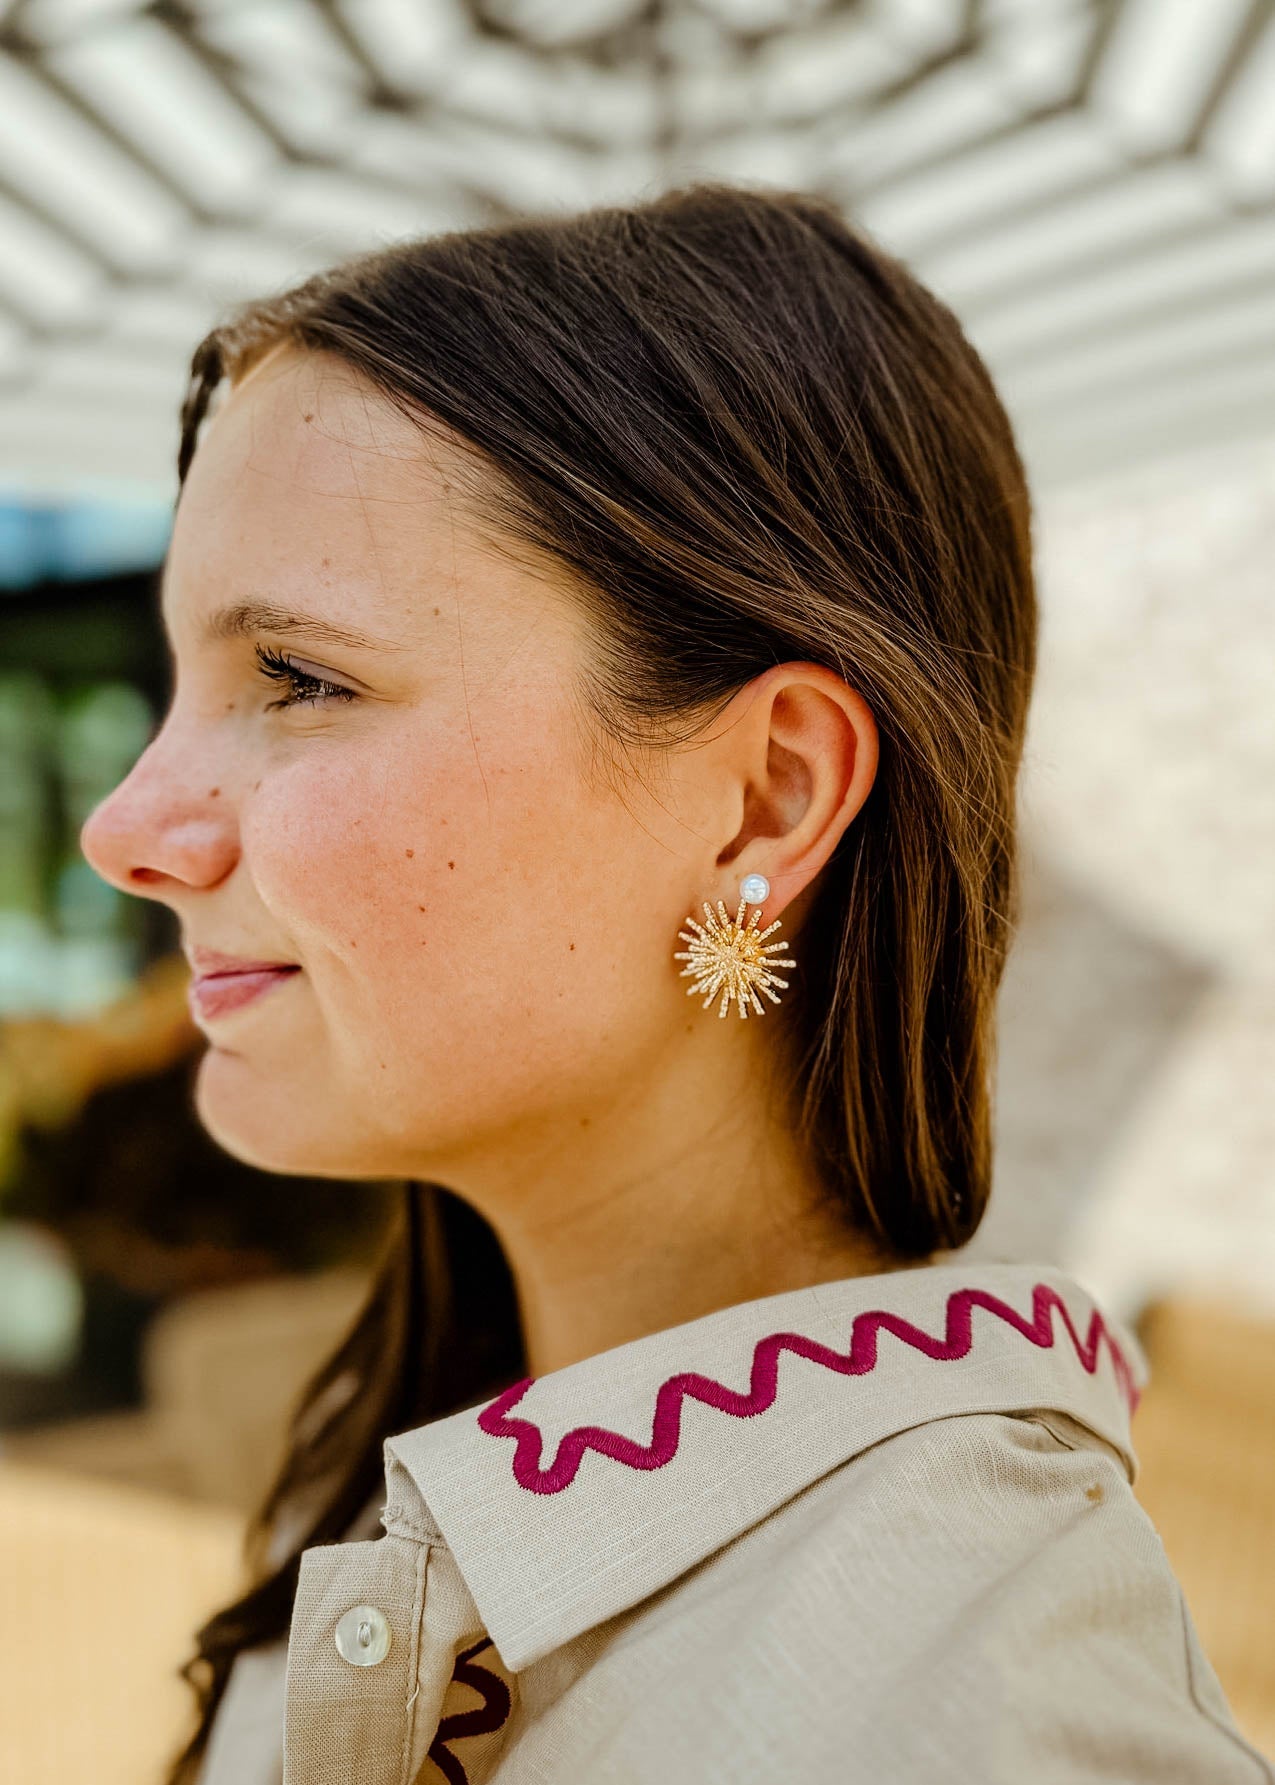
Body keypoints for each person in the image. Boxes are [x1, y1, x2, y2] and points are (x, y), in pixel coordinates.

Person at [78, 182, 1271, 1785]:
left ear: (767, 795)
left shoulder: (970, 1716)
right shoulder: (408, 1507)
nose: (124, 827)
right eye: (182, 684)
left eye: (296, 677)